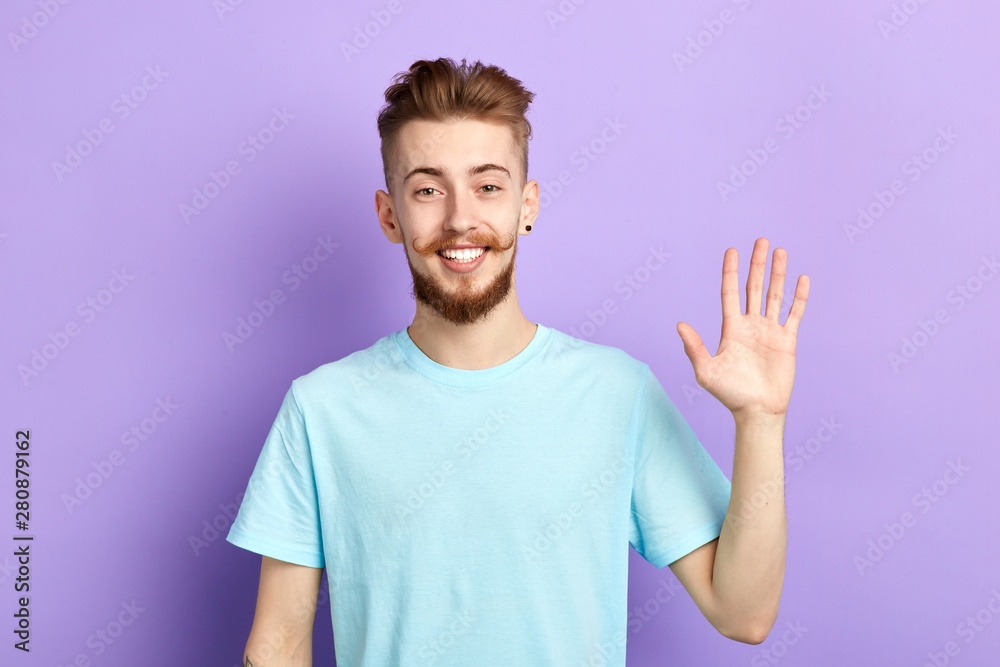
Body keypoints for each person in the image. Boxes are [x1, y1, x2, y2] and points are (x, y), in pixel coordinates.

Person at [226, 56, 810, 667]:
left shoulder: (617, 394)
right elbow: (278, 646)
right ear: (388, 215)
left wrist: (762, 421)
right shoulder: (320, 410)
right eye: (428, 189)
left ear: (526, 205)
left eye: (488, 186)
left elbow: (744, 614)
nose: (459, 219)